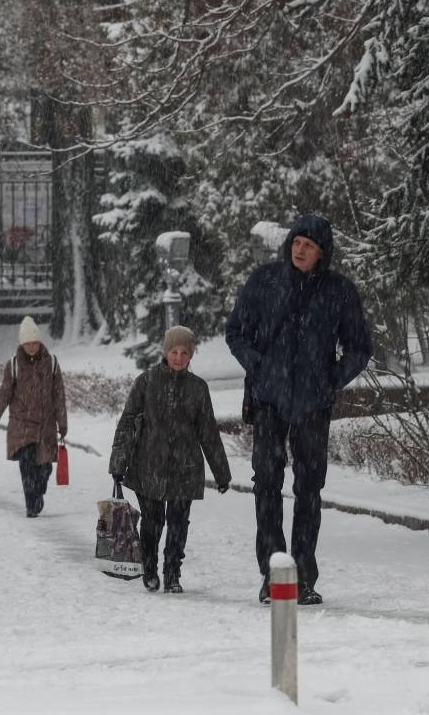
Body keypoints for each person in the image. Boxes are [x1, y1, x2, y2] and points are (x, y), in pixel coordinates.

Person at [226, 214, 372, 606]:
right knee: (267, 487)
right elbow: (235, 331)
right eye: (296, 242)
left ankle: (303, 577)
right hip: (269, 401)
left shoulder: (340, 291)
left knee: (309, 490)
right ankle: (274, 575)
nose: (300, 249)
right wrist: (256, 364)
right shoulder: (265, 281)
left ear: (322, 252)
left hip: (312, 405)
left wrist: (330, 379)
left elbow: (360, 347)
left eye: (309, 245)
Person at [108, 325, 232, 594]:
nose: (178, 357)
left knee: (178, 524)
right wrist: (118, 462)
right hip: (148, 466)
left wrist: (222, 473)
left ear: (191, 356)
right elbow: (127, 423)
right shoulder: (146, 382)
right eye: (174, 351)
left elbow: (208, 431)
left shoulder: (198, 388)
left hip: (185, 468)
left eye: (184, 352)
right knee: (153, 523)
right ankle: (150, 567)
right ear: (165, 352)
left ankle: (173, 572)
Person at [0, 316, 67, 517]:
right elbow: (3, 395)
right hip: (22, 426)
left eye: (35, 343)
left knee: (45, 467)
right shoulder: (13, 365)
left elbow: (59, 395)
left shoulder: (52, 364)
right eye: (27, 344)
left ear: (40, 343)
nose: (31, 347)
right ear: (22, 345)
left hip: (46, 425)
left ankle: (38, 492)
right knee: (27, 467)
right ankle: (31, 504)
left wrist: (62, 422)